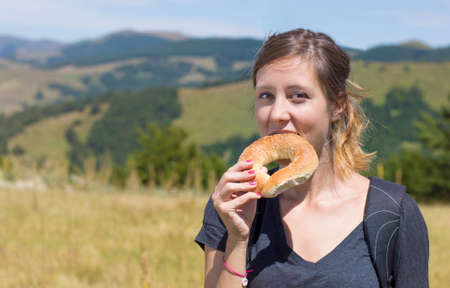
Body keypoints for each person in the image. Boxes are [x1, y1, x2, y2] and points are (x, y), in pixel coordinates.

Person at [195, 28, 429, 288]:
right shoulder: (233, 202)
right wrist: (238, 240)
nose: (277, 114)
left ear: (337, 106)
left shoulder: (392, 212)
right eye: (266, 96)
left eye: (298, 96)